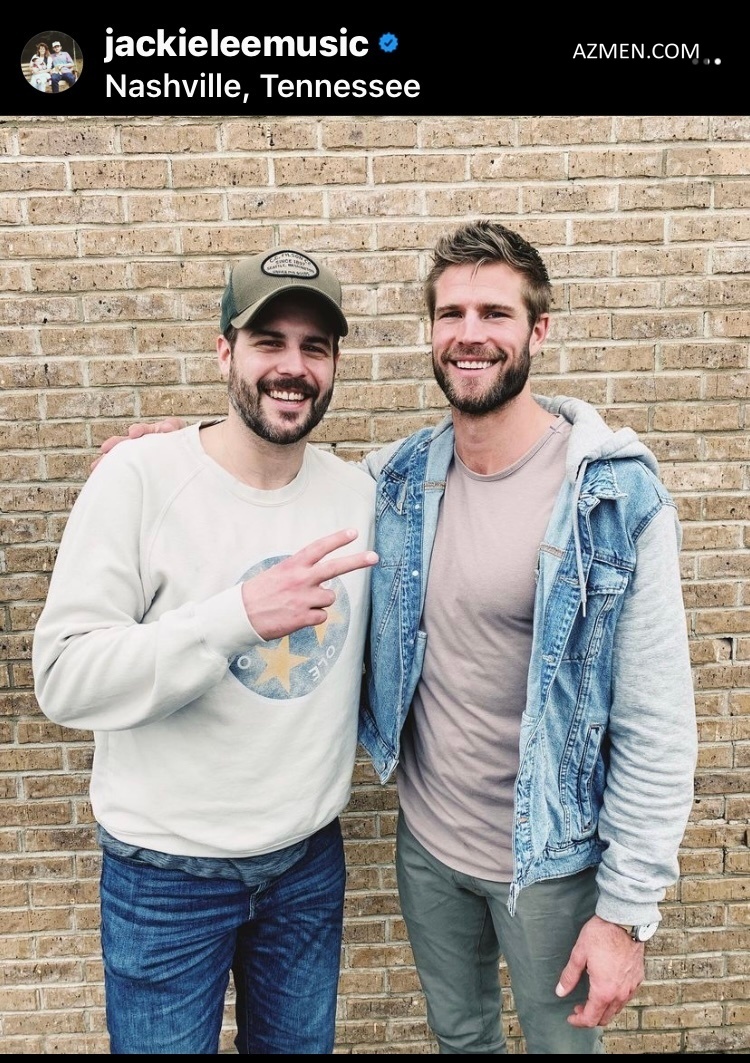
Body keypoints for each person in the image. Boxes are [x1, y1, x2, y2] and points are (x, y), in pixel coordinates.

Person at [95, 221, 698, 1054]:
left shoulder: (614, 500)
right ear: (432, 332)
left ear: (539, 330)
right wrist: (172, 454)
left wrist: (627, 912)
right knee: (460, 1037)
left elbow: (657, 725)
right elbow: (271, 471)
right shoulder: (396, 483)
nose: (471, 333)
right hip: (429, 849)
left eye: (496, 312)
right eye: (452, 313)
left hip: (552, 864)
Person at [32, 248, 379, 1055]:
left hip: (305, 867)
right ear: (225, 351)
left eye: (315, 347)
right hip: (164, 876)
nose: (292, 367)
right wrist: (235, 617)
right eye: (268, 341)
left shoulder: (361, 495)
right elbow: (63, 676)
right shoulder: (139, 479)